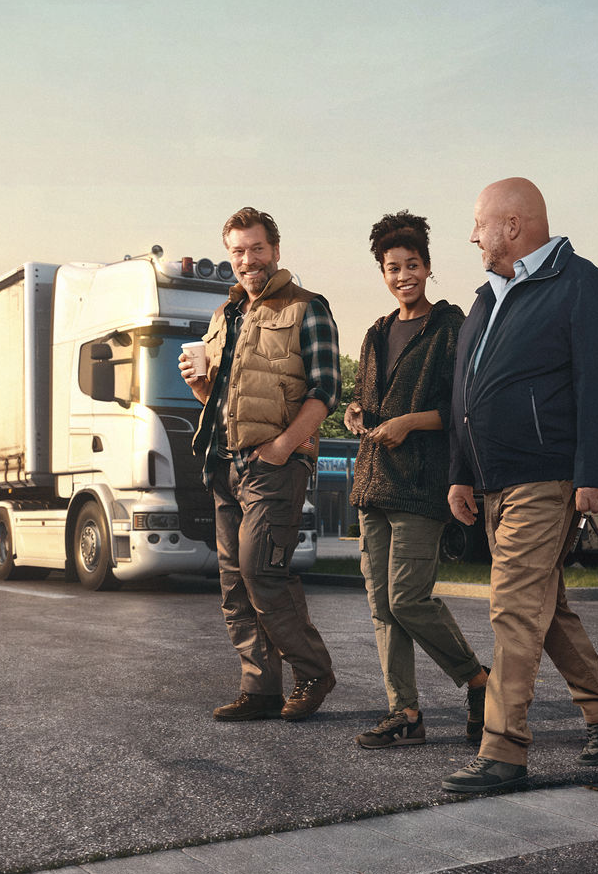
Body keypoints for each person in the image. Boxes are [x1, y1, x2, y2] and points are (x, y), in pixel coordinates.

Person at [440, 178, 598, 793]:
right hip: (494, 479)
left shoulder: (583, 287)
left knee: (514, 609)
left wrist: (596, 474)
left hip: (544, 476)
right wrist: (460, 473)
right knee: (544, 611)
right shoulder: (487, 297)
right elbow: (463, 394)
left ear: (514, 225)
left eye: (480, 224)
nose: (472, 236)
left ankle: (504, 751)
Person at [179, 207, 341, 722]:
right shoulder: (224, 316)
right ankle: (261, 687)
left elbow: (326, 390)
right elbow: (223, 396)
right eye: (238, 252)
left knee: (261, 572)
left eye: (256, 249)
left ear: (275, 249)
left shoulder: (307, 308)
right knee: (232, 581)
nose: (248, 261)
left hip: (274, 466)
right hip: (223, 464)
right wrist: (200, 387)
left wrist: (284, 446)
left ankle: (312, 672)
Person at [342, 211, 490, 749]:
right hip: (372, 483)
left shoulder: (449, 328)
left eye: (411, 265)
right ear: (382, 272)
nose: (402, 275)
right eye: (392, 267)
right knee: (381, 606)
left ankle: (478, 681)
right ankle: (404, 711)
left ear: (428, 267)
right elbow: (368, 397)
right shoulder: (375, 332)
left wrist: (409, 422)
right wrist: (359, 412)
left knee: (407, 598)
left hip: (422, 485)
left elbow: (460, 408)